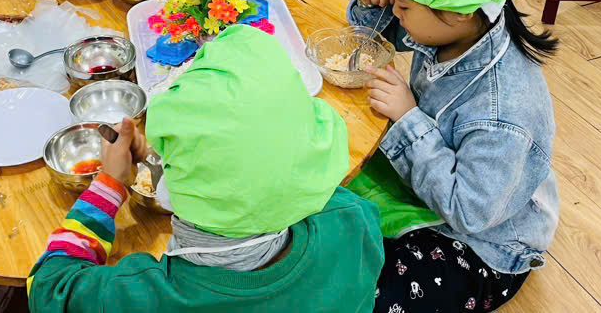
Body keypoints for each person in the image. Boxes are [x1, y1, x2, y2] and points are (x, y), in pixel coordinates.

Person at [26, 25, 384, 312]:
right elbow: (276, 174)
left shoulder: (147, 298)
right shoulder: (353, 221)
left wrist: (110, 183)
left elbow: (49, 287)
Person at [346, 0, 560, 313]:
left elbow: (468, 212)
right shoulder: (458, 23)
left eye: (403, 5)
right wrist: (375, 1)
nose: (397, 13)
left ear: (456, 12)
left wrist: (408, 119)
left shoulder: (504, 112)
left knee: (368, 294)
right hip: (434, 187)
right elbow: (370, 37)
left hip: (485, 244)